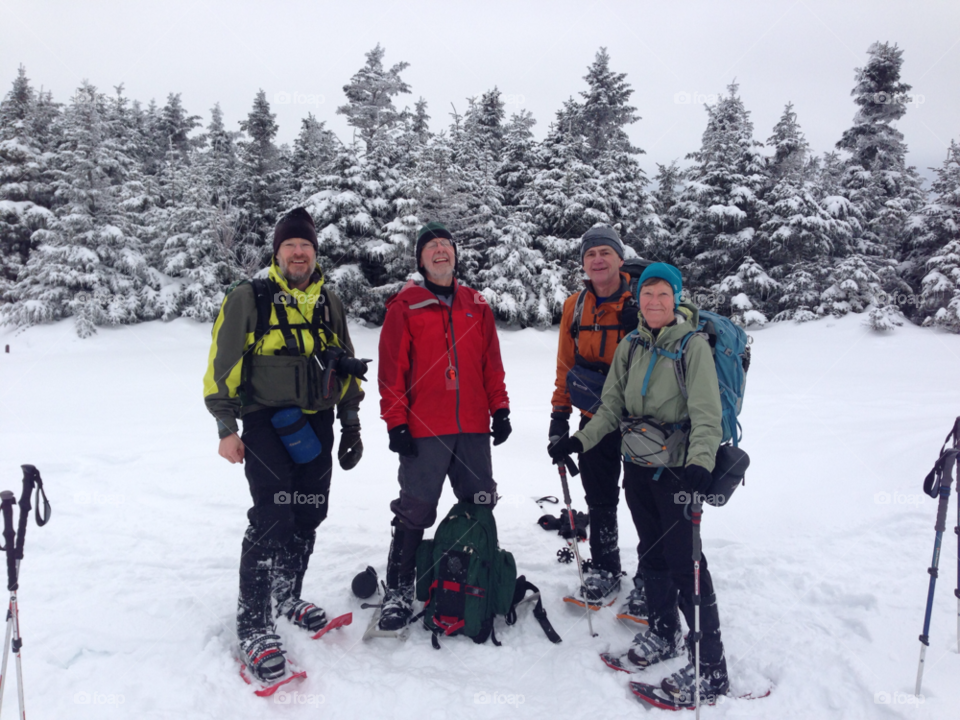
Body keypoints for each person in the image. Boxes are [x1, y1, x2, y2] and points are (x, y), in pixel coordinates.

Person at [548, 262, 728, 704]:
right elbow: (609, 408)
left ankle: (712, 667)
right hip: (639, 466)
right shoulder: (630, 345)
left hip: (679, 474)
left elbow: (708, 415)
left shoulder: (692, 348)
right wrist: (579, 440)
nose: (653, 302)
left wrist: (701, 465)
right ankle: (665, 634)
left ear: (677, 298)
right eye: (647, 294)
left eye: (663, 295)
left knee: (688, 564)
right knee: (653, 556)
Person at [204, 208, 366, 682]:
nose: (299, 253)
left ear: (316, 253)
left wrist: (352, 424)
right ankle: (253, 622)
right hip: (262, 421)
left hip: (317, 421)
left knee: (309, 510)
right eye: (291, 246)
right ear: (278, 253)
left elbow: (348, 363)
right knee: (274, 513)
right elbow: (222, 363)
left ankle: (286, 592)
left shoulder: (329, 301)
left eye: (307, 246)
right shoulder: (249, 297)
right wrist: (224, 426)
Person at [377, 221, 511, 631]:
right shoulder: (406, 306)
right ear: (420, 259)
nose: (440, 252)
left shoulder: (477, 305)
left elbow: (491, 362)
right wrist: (395, 423)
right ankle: (398, 590)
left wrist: (500, 409)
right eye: (431, 247)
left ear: (455, 254)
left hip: (471, 425)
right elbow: (391, 371)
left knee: (480, 499)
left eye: (446, 246)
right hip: (424, 427)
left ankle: (479, 571)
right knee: (416, 509)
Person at [549, 225, 647, 615]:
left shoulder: (644, 299)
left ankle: (651, 578)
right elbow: (565, 365)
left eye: (606, 252)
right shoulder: (574, 306)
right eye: (591, 254)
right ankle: (606, 569)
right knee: (600, 496)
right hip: (593, 416)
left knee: (644, 501)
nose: (598, 260)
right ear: (583, 263)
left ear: (620, 259)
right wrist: (559, 416)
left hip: (644, 420)